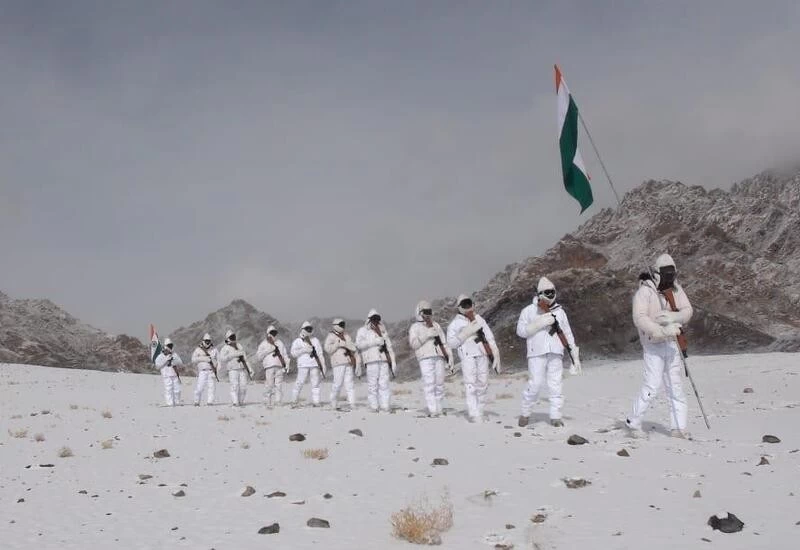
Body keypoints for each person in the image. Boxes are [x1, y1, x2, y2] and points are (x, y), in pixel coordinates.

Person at [625, 253, 693, 439]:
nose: (670, 278)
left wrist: (674, 317)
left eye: (672, 274)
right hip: (653, 346)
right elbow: (640, 318)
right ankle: (634, 421)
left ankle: (678, 427)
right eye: (666, 274)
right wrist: (660, 330)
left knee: (675, 387)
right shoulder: (645, 292)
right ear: (657, 274)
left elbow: (687, 310)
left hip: (672, 344)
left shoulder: (676, 289)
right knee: (652, 386)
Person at [515, 277, 581, 428]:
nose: (550, 295)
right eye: (547, 292)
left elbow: (567, 333)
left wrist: (574, 354)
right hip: (536, 352)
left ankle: (556, 416)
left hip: (556, 351)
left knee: (555, 384)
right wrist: (539, 323)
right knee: (535, 384)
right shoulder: (529, 311)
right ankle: (525, 413)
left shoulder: (560, 312)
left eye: (552, 292)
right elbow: (521, 331)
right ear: (539, 293)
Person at [446, 295, 501, 423]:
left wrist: (495, 351)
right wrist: (465, 333)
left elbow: (489, 336)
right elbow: (451, 343)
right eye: (464, 304)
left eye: (469, 303)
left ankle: (480, 411)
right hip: (467, 355)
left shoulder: (479, 319)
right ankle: (473, 413)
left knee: (483, 383)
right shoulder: (455, 324)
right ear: (459, 307)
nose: (467, 307)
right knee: (470, 384)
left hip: (482, 353)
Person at [408, 300, 454, 417]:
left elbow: (444, 342)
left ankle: (439, 408)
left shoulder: (436, 325)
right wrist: (427, 334)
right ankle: (433, 410)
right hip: (425, 358)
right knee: (429, 384)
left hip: (439, 356)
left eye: (429, 312)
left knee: (439, 383)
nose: (428, 314)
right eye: (425, 312)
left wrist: (449, 355)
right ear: (419, 312)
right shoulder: (415, 327)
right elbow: (414, 344)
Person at [355, 309, 396, 412]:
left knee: (384, 384)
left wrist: (393, 361)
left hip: (383, 360)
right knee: (372, 385)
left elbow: (389, 347)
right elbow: (359, 345)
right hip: (371, 360)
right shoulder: (362, 331)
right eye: (374, 319)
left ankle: (385, 406)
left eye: (377, 319)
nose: (376, 321)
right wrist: (374, 342)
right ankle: (374, 406)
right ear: (369, 319)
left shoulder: (383, 331)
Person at [324, 318, 359, 411]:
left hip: (348, 362)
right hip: (338, 363)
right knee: (337, 383)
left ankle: (352, 403)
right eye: (341, 324)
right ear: (335, 325)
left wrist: (345, 344)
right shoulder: (331, 336)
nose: (342, 326)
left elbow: (353, 347)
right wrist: (337, 344)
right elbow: (327, 349)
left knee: (350, 384)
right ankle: (333, 403)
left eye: (343, 324)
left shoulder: (346, 335)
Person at [290, 321, 326, 407]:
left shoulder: (315, 340)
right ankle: (294, 401)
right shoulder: (298, 341)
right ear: (303, 329)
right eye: (307, 328)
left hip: (314, 364)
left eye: (310, 328)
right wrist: (303, 350)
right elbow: (293, 353)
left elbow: (320, 354)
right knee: (299, 382)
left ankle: (316, 402)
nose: (309, 330)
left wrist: (323, 365)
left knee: (315, 384)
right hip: (303, 365)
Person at [256, 325, 290, 407]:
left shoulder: (280, 343)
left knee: (279, 385)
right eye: (272, 332)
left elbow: (284, 354)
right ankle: (267, 401)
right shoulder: (264, 343)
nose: (274, 334)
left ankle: (278, 401)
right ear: (268, 333)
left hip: (279, 366)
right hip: (269, 366)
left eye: (275, 332)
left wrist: (287, 364)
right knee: (269, 385)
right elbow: (258, 356)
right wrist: (269, 350)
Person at [219, 329, 253, 407]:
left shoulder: (239, 346)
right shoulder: (225, 348)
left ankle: (241, 401)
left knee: (243, 386)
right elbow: (222, 358)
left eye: (234, 336)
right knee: (234, 386)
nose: (233, 338)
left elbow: (245, 359)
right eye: (231, 337)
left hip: (241, 368)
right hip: (232, 369)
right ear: (228, 338)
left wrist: (250, 369)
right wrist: (232, 355)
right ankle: (235, 402)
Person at [191, 333, 219, 406]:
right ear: (203, 341)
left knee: (212, 387)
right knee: (200, 387)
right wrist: (203, 358)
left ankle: (210, 402)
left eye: (208, 341)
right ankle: (196, 401)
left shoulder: (214, 350)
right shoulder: (198, 350)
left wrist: (217, 368)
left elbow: (219, 360)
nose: (207, 342)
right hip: (202, 371)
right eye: (206, 341)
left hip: (211, 371)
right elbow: (193, 359)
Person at [154, 338, 183, 406]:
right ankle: (169, 403)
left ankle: (177, 402)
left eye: (171, 345)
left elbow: (180, 362)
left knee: (177, 389)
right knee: (169, 389)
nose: (170, 347)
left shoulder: (174, 354)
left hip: (174, 374)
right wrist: (166, 360)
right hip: (166, 375)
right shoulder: (161, 356)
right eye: (168, 345)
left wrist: (173, 361)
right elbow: (157, 366)